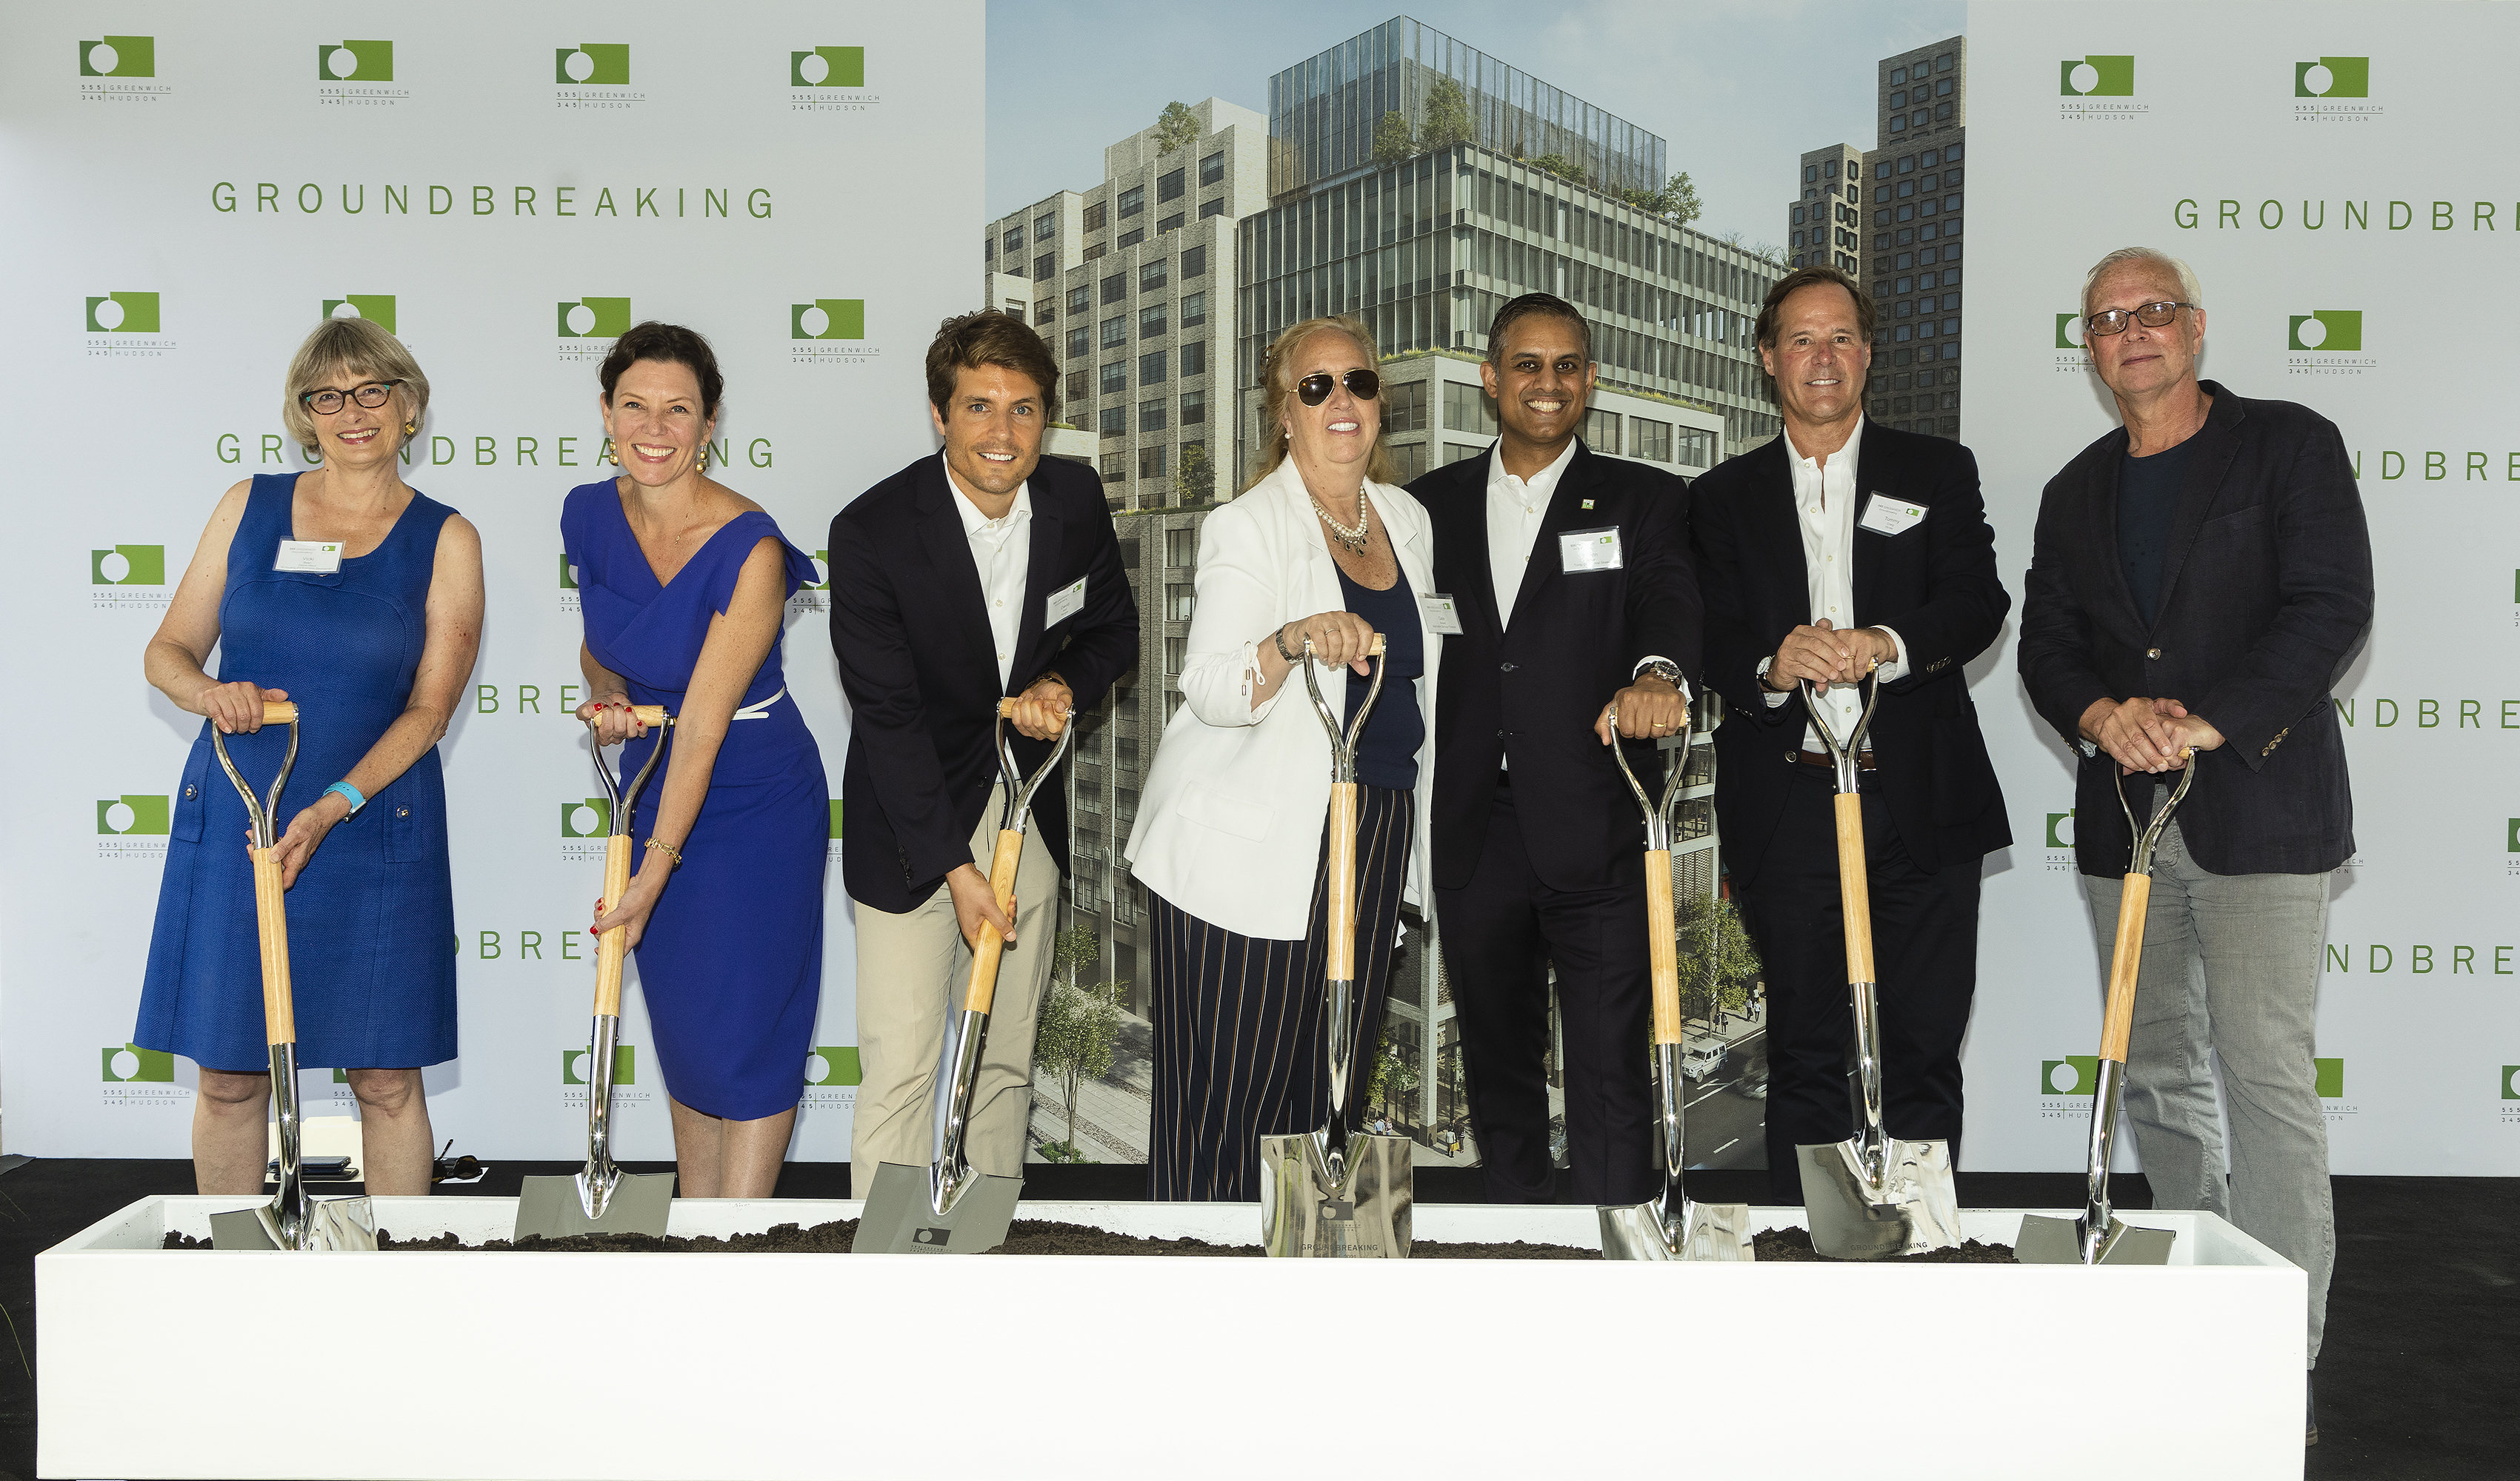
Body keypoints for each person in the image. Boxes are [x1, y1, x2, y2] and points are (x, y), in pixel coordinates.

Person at [2017, 247, 2368, 1443]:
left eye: (2152, 311)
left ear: (2196, 327)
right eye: (2107, 319)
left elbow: (2330, 603)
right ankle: (2195, 1291)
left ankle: (2276, 1346)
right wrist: (2100, 715)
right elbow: (2046, 646)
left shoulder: (2289, 445)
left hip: (2259, 808)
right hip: (2124, 820)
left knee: (2263, 1074)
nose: (2132, 331)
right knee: (2156, 1070)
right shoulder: (2072, 490)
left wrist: (2208, 721)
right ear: (2088, 349)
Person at [134, 315, 483, 1197]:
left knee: (386, 1079)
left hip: (370, 820)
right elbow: (167, 651)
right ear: (304, 415)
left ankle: (397, 1264)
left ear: (410, 405)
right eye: (327, 397)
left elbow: (430, 711)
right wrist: (206, 691)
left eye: (372, 391)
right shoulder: (245, 505)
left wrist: (334, 804)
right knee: (228, 1075)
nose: (351, 412)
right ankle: (234, 1264)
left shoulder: (447, 538)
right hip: (242, 818)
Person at [1689, 264, 2009, 1205]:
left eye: (1840, 338)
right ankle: (1805, 1246)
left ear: (1868, 354)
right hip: (1786, 807)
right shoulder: (1719, 496)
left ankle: (1919, 1246)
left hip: (1920, 803)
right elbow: (1703, 632)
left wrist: (1886, 642)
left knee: (1923, 1048)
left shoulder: (1937, 470)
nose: (1821, 357)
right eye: (1801, 339)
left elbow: (1978, 600)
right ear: (1767, 358)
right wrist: (1770, 661)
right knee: (1802, 1049)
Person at [1128, 313, 1441, 1200]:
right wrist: (1291, 638)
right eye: (1317, 385)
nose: (1342, 399)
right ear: (1284, 412)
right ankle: (1200, 1262)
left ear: (1380, 402)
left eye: (1359, 382)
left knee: (1327, 1090)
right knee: (1228, 1106)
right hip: (1249, 851)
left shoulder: (1408, 519)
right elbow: (1210, 685)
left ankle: (1297, 1268)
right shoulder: (1248, 524)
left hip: (1375, 827)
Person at [830, 310, 1137, 1195]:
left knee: (1004, 1061)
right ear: (939, 414)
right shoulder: (873, 531)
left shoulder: (1075, 499)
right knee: (902, 1067)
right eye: (978, 407)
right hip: (911, 824)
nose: (1002, 432)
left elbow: (1113, 629)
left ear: (1046, 418)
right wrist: (957, 872)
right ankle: (888, 1257)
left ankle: (989, 1243)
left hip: (1023, 809)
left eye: (1023, 408)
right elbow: (887, 718)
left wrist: (1062, 685)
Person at [1404, 292, 1700, 1205]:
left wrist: (1658, 675)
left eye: (1567, 365)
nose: (1548, 383)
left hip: (1596, 820)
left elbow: (1669, 603)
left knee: (1610, 1071)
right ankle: (1517, 1244)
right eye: (1527, 364)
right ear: (1491, 377)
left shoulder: (1644, 498)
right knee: (1497, 1069)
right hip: (1472, 828)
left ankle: (1619, 1250)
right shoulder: (1427, 506)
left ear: (1591, 380)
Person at [565, 321, 827, 1198]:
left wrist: (654, 869)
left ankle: (741, 1241)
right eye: (634, 405)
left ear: (709, 424)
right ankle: (697, 1230)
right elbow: (602, 643)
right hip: (657, 785)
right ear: (607, 413)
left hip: (753, 801)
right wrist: (610, 692)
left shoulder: (751, 548)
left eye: (677, 409)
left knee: (749, 1033)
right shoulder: (588, 514)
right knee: (688, 1030)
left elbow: (705, 725)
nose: (654, 427)